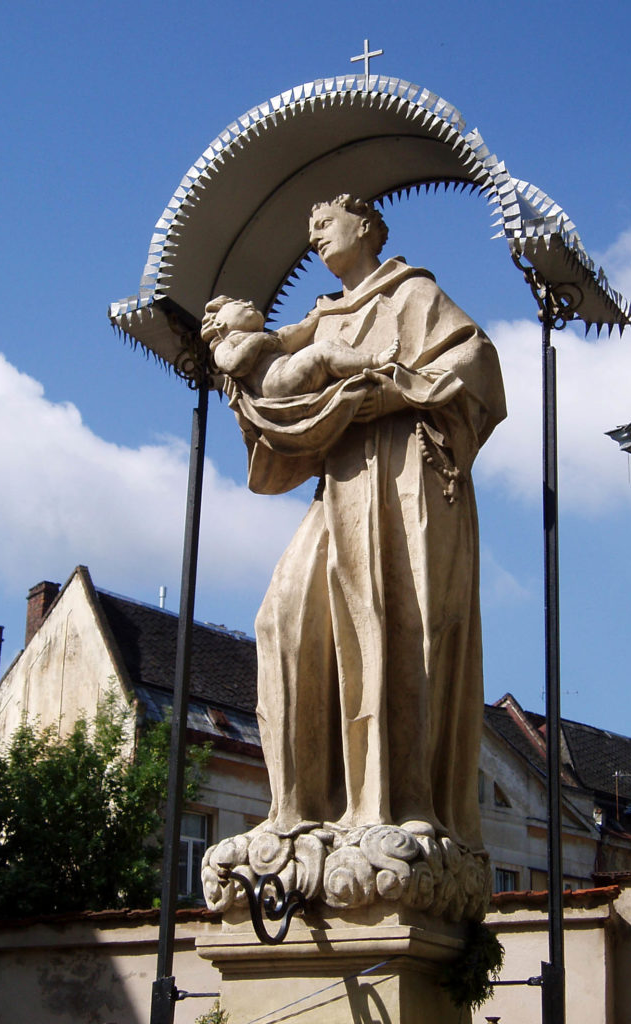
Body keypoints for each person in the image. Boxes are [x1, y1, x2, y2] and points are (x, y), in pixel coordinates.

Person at [223, 194, 506, 852]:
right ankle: (296, 809)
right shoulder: (322, 318)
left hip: (405, 476)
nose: (316, 233)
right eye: (310, 225)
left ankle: (396, 805)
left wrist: (398, 391)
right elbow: (274, 389)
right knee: (284, 616)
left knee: (394, 626)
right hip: (339, 482)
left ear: (368, 226)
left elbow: (478, 366)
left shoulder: (413, 295)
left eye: (327, 221)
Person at [200, 296, 400, 398]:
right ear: (220, 324)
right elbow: (235, 365)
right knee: (323, 350)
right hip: (276, 383)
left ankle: (358, 368)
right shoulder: (226, 345)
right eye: (240, 304)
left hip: (288, 370)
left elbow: (298, 331)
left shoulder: (270, 338)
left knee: (336, 345)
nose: (250, 302)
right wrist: (257, 340)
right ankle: (375, 361)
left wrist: (317, 314)